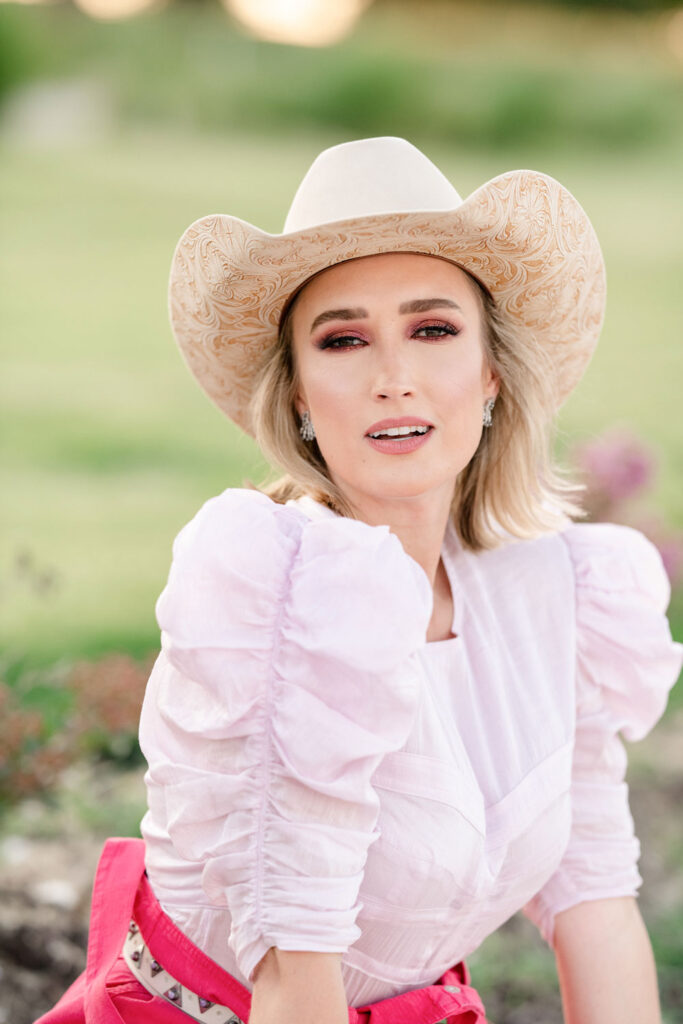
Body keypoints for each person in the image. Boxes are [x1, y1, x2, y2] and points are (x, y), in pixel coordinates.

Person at [38, 137, 682, 1024]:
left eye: (432, 329)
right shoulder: (279, 605)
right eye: (343, 340)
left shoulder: (556, 596)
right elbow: (290, 978)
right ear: (299, 394)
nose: (392, 378)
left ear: (491, 372)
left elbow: (598, 905)